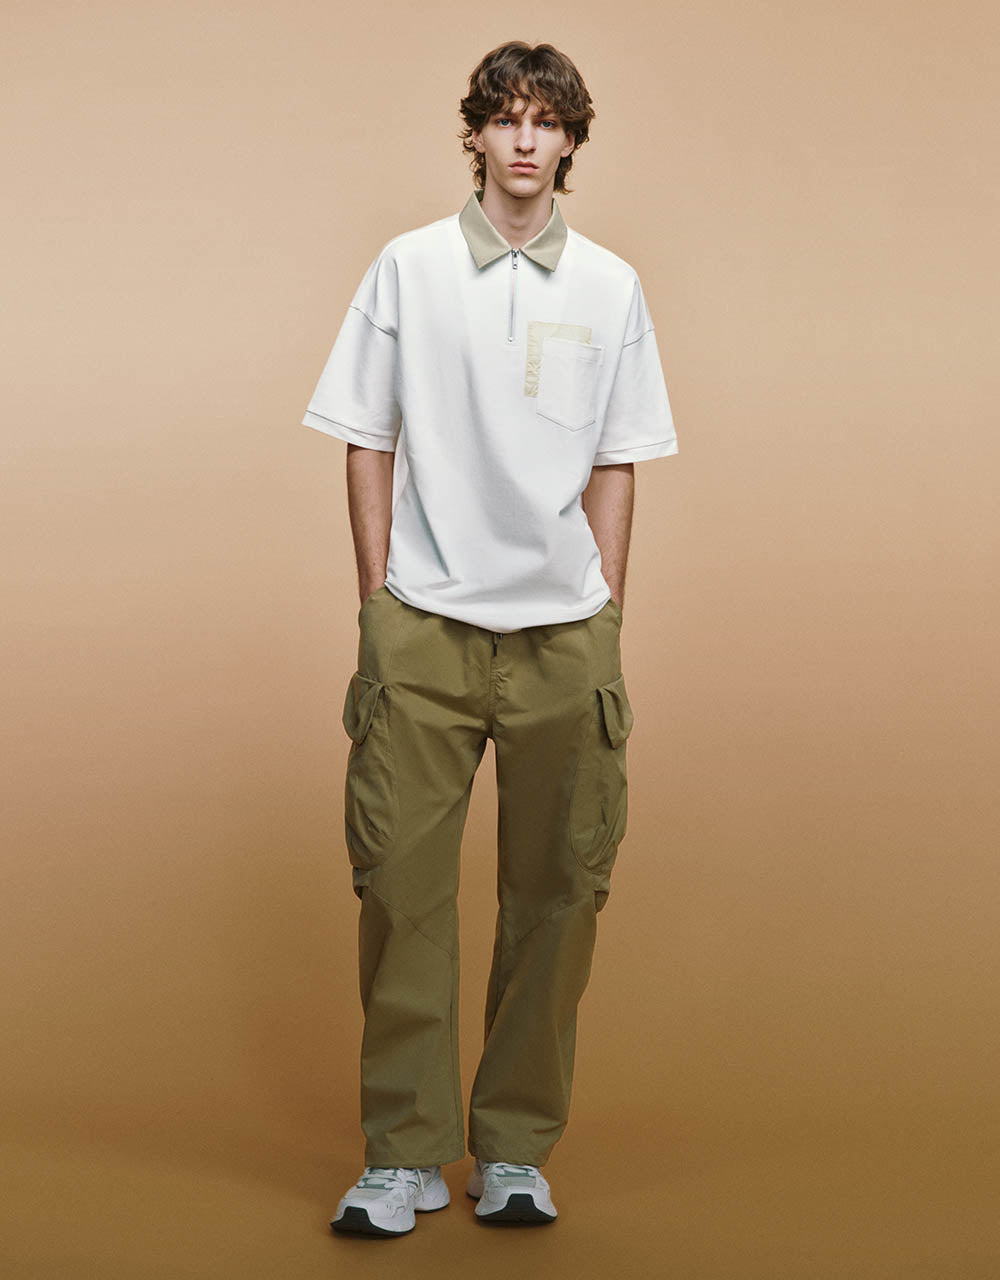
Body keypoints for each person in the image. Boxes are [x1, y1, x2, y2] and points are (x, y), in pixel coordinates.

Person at [301, 40, 678, 1236]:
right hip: (423, 627)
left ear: (570, 140)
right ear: (474, 134)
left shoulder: (610, 286)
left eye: (545, 120)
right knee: (400, 888)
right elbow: (366, 436)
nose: (524, 138)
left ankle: (513, 1148)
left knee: (557, 892)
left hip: (565, 636)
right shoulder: (408, 267)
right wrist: (378, 601)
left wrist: (605, 610)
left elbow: (618, 458)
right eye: (504, 117)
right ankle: (402, 1152)